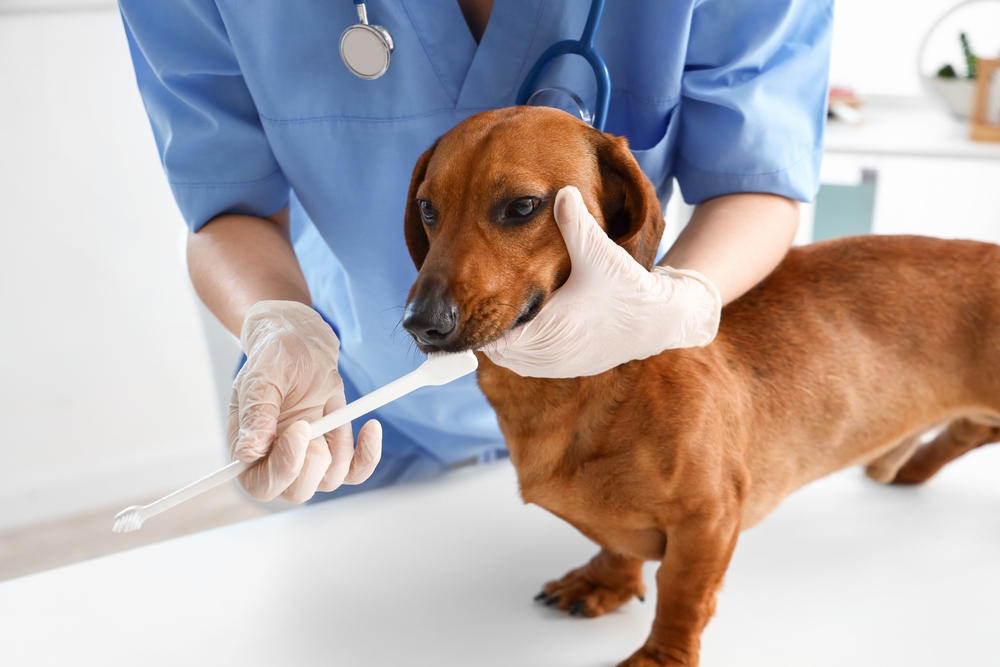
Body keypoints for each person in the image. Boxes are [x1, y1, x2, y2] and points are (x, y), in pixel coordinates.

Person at [119, 0, 831, 504]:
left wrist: (683, 301)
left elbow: (755, 181)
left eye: (520, 207)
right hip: (359, 412)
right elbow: (227, 209)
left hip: (606, 417)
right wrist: (278, 323)